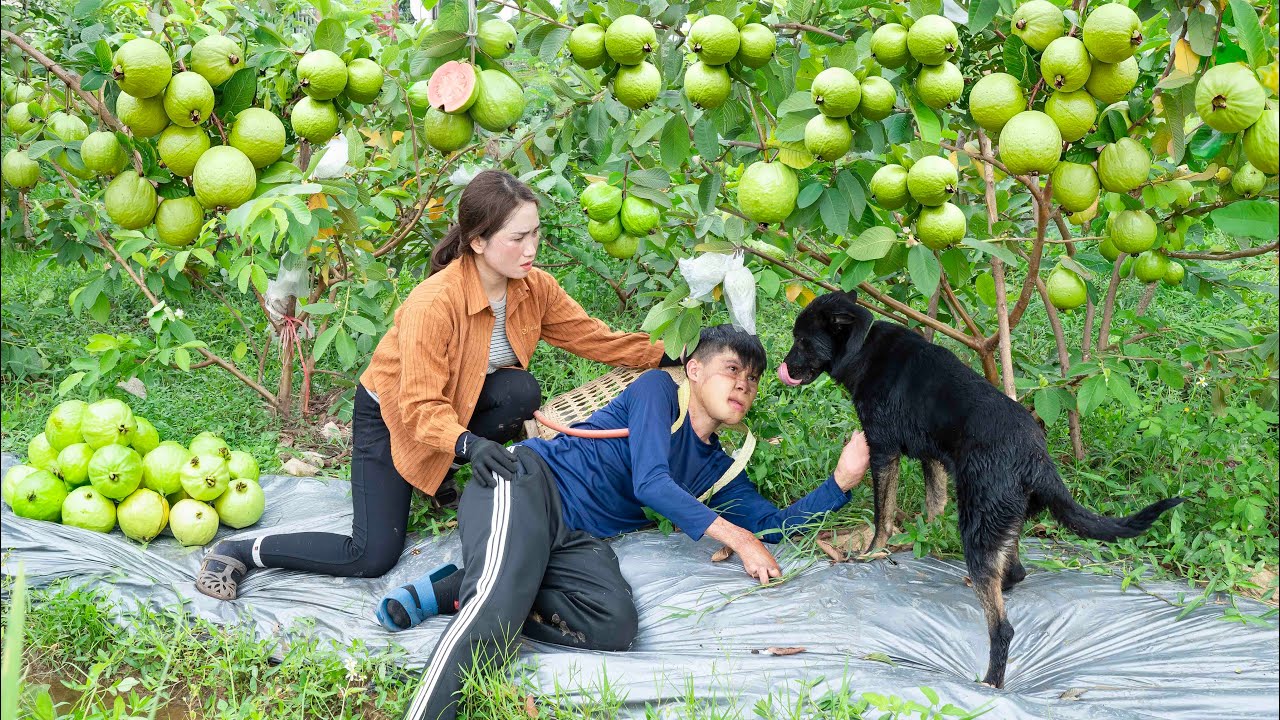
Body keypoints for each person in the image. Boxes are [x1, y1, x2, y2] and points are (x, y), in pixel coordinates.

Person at [194, 169, 675, 601]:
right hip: (394, 414)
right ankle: (239, 549)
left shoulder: (534, 287)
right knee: (371, 554)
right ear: (479, 241)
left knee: (520, 392)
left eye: (536, 234)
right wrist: (470, 444)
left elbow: (592, 337)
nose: (531, 249)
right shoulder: (435, 302)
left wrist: (673, 352)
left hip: (457, 403)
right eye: (518, 238)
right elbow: (420, 406)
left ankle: (439, 473)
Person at [393, 324, 871, 720]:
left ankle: (463, 587)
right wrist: (737, 538)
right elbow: (651, 483)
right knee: (495, 606)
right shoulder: (657, 391)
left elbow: (773, 528)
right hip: (525, 484)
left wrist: (841, 482)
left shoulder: (718, 469)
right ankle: (477, 611)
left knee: (614, 625)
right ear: (695, 369)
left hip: (573, 540)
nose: (743, 384)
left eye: (752, 379)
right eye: (732, 370)